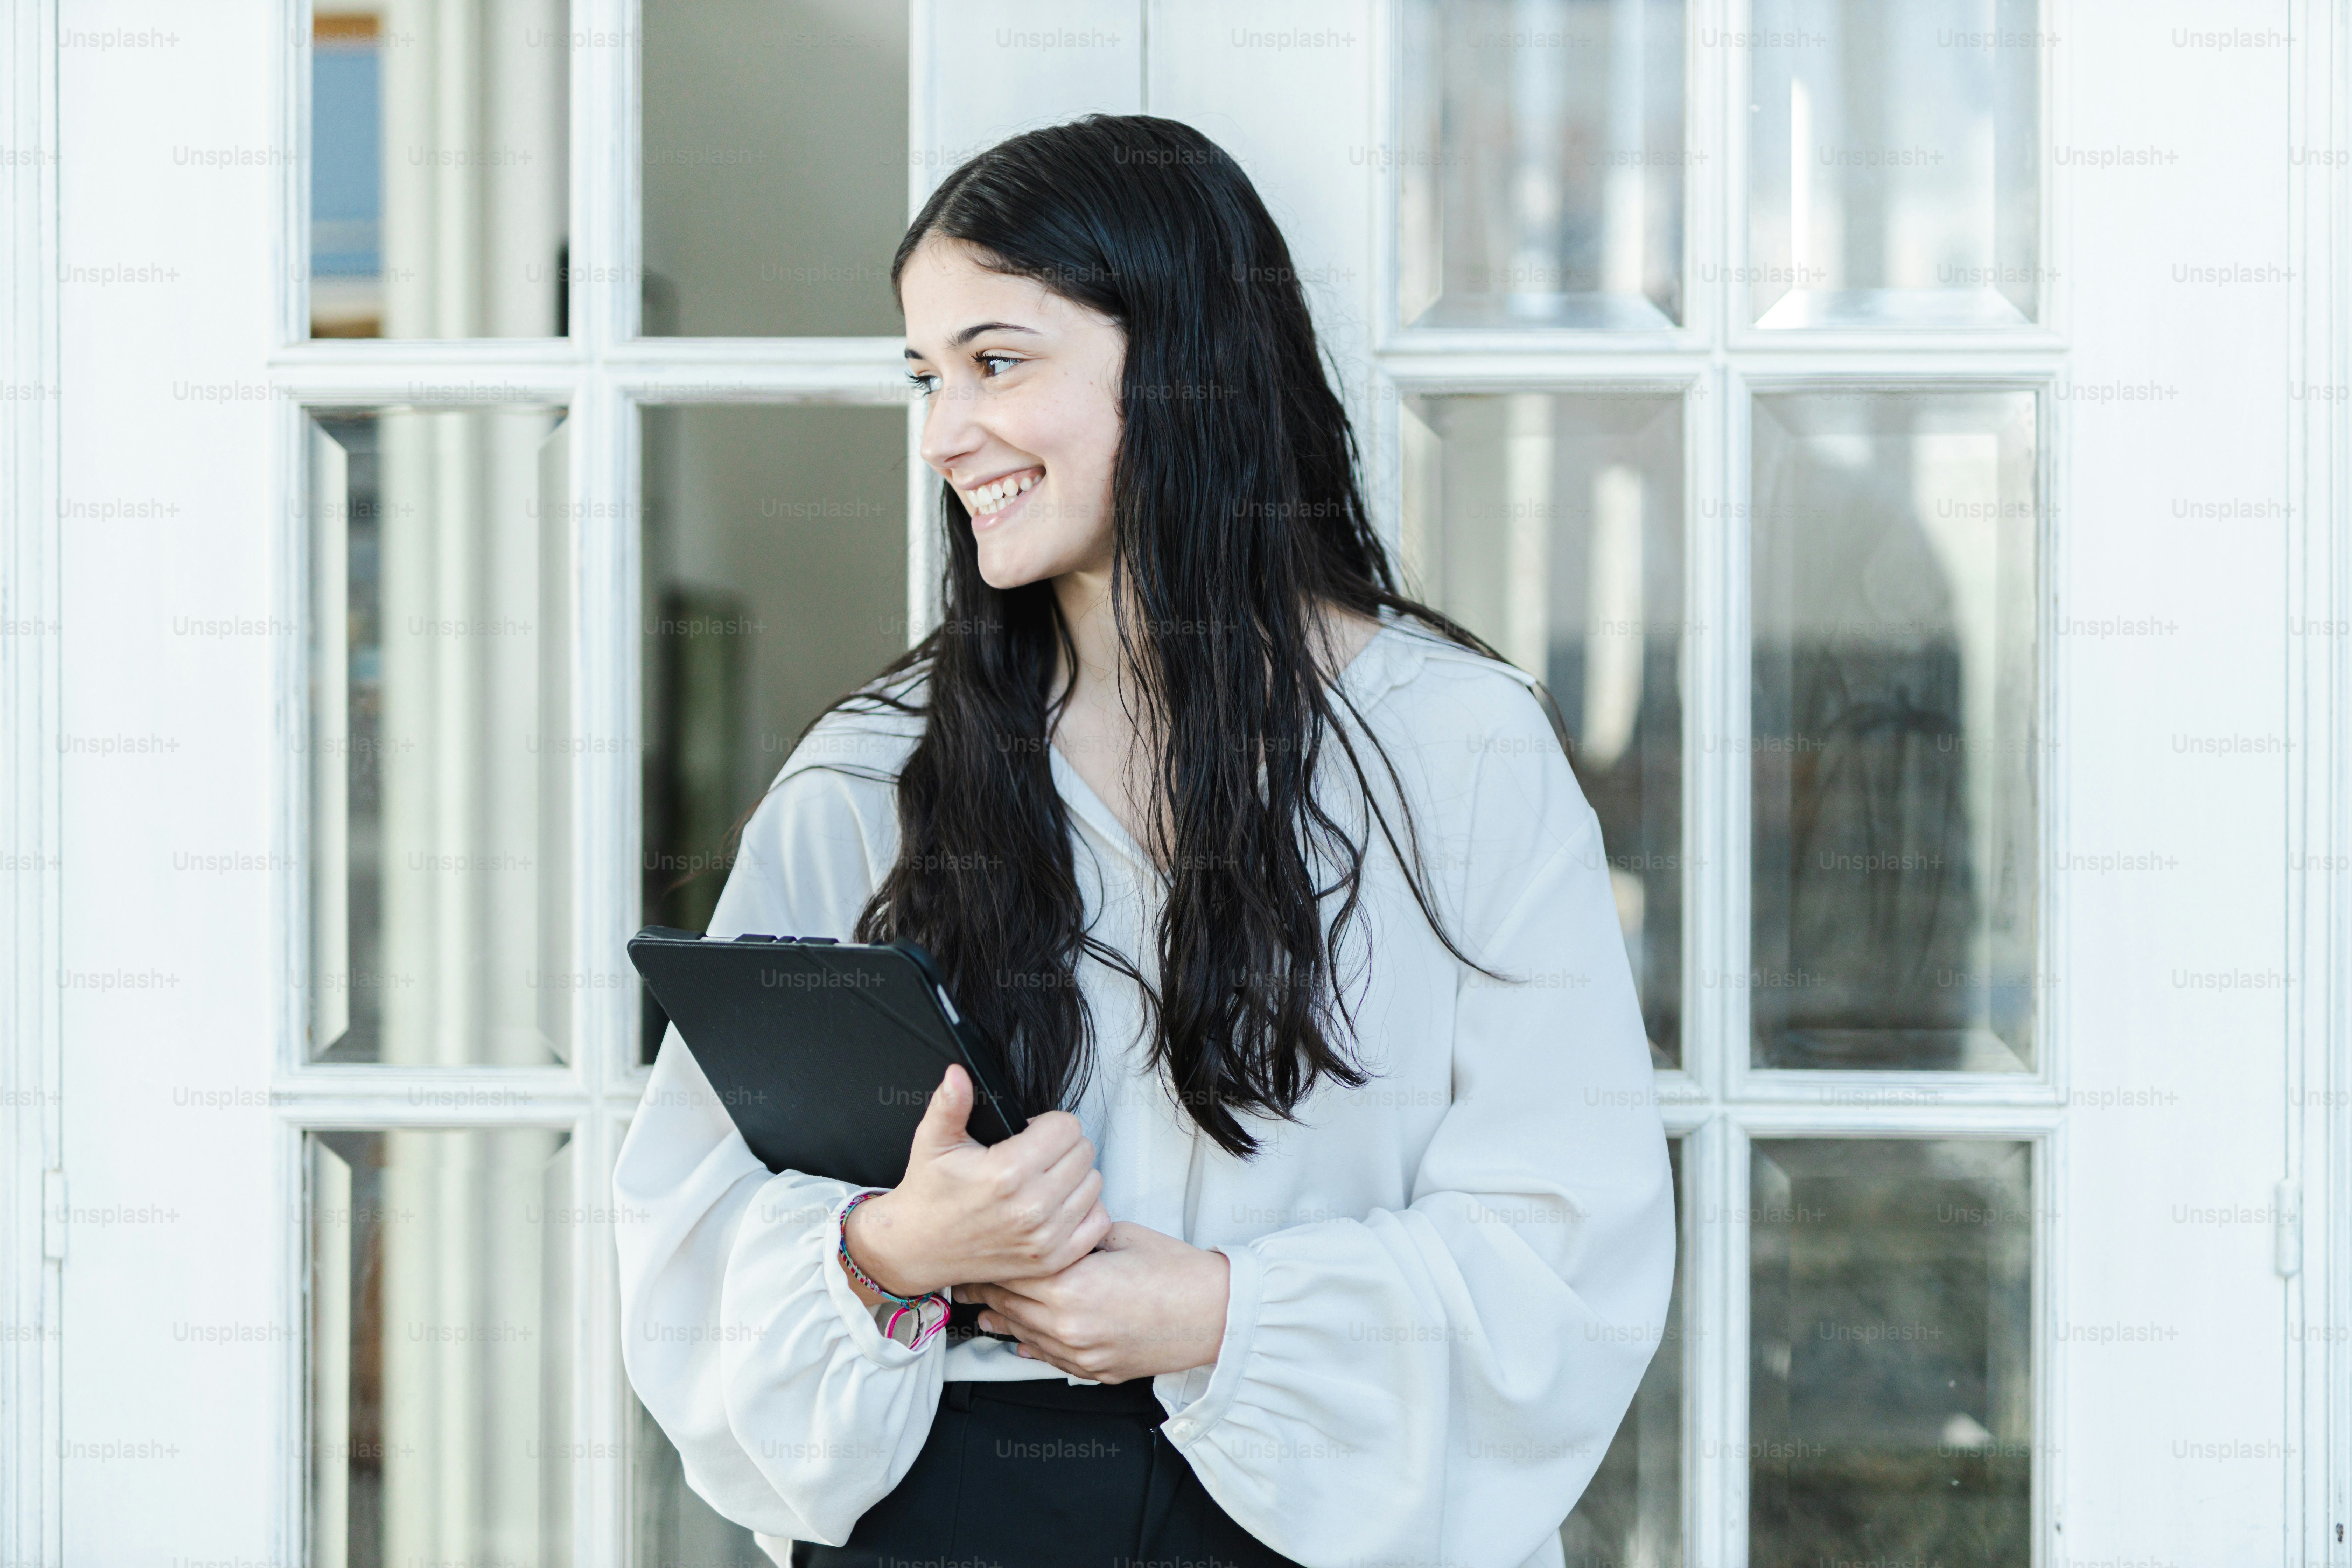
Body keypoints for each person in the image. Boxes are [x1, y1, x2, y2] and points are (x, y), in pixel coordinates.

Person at [615, 114, 1674, 1568]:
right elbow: (683, 1228)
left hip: (1325, 1527)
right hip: (944, 1518)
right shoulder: (866, 774)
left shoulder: (1460, 749)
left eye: (996, 361)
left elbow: (1574, 1240)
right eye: (928, 377)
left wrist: (1215, 1312)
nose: (944, 434)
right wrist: (893, 1252)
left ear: (1180, 361)